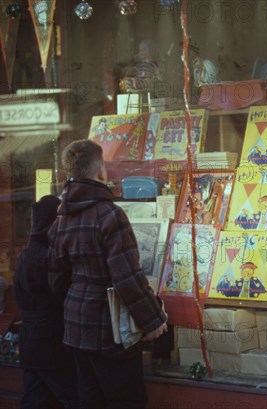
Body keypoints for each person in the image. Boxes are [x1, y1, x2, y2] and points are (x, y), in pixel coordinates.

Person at [47, 139, 168, 408]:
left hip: (76, 327)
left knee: (90, 400)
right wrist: (153, 320)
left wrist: (77, 301)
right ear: (101, 171)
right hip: (110, 329)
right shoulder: (110, 215)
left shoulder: (61, 220)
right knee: (128, 400)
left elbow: (56, 279)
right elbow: (127, 278)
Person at [13, 195, 79, 409]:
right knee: (72, 397)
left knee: (35, 398)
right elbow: (62, 294)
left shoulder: (25, 254)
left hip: (31, 341)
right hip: (50, 340)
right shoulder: (48, 256)